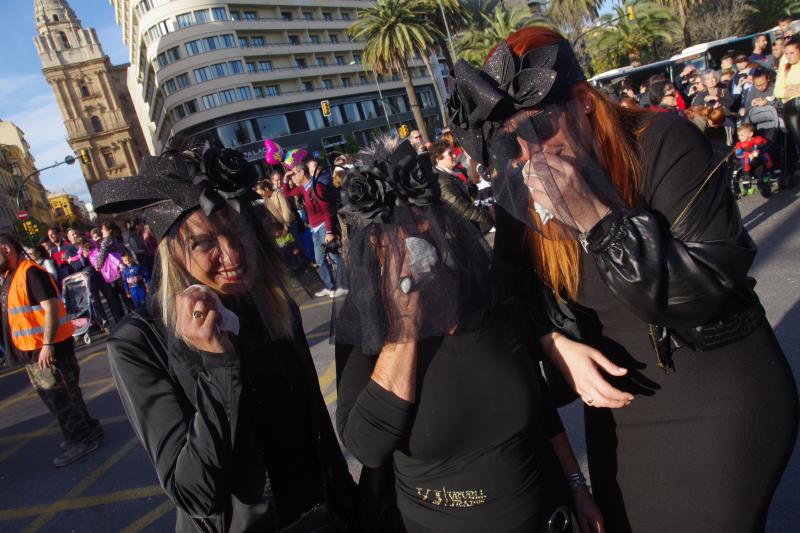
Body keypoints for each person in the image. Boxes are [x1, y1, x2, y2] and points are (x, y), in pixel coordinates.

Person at [448, 26, 799, 533]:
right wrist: (553, 343)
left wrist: (596, 218)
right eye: (510, 140)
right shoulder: (520, 184)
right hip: (622, 417)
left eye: (541, 126)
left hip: (721, 397)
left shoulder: (661, 141)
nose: (527, 151)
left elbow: (701, 294)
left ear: (584, 103)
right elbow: (508, 295)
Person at [334, 137, 603, 533]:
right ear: (372, 245)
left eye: (423, 218)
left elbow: (538, 402)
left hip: (547, 513)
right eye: (395, 229)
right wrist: (404, 326)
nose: (415, 235)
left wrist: (577, 485)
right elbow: (366, 444)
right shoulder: (365, 323)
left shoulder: (482, 289)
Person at [92, 142, 358, 533]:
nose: (232, 255)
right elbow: (194, 493)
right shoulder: (139, 343)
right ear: (173, 252)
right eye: (204, 242)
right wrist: (218, 367)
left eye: (239, 232)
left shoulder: (272, 305)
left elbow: (316, 425)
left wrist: (352, 507)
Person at [0, 234, 103, 467]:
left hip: (48, 349)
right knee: (59, 397)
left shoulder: (31, 272)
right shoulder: (10, 275)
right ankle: (89, 429)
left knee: (61, 398)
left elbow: (51, 309)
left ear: (6, 249)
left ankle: (81, 440)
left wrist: (47, 345)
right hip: (31, 349)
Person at [282, 163, 347, 298]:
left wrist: (329, 232)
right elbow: (287, 193)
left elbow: (327, 211)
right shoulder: (303, 188)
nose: (292, 177)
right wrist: (285, 179)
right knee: (320, 259)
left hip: (324, 227)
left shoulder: (316, 187)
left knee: (333, 256)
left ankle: (344, 284)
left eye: (294, 174)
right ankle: (332, 287)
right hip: (315, 229)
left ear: (302, 173)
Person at [430, 139, 492, 233]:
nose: (455, 156)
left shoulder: (448, 174)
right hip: (460, 231)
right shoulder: (442, 180)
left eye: (453, 152)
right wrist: (485, 216)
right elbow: (459, 206)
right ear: (438, 159)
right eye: (450, 154)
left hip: (466, 228)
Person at [774, 34, 800, 187]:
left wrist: (792, 88)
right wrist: (792, 90)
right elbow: (778, 91)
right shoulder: (785, 68)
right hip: (791, 107)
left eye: (792, 53)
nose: (789, 57)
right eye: (786, 54)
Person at [734, 122, 773, 198]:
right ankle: (746, 185)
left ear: (750, 134)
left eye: (742, 135)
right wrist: (748, 155)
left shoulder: (757, 140)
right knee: (743, 163)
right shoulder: (739, 145)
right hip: (747, 163)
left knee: (762, 171)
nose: (739, 137)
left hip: (758, 162)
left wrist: (758, 152)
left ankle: (765, 181)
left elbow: (766, 145)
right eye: (738, 135)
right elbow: (738, 154)